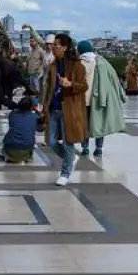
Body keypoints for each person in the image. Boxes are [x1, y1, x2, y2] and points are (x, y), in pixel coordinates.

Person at [42, 34, 88, 187]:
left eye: (56, 45)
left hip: (68, 109)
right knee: (52, 141)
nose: (53, 48)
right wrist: (44, 105)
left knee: (68, 142)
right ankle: (71, 158)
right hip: (54, 107)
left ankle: (65, 173)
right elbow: (48, 87)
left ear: (65, 48)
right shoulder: (53, 65)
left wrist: (70, 84)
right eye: (53, 45)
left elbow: (84, 86)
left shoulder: (77, 66)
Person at [82, 39, 126, 157]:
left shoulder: (79, 63)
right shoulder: (103, 62)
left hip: (83, 99)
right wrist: (122, 95)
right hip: (100, 98)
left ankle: (85, 148)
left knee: (84, 125)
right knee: (99, 124)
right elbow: (114, 79)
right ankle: (99, 148)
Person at [3, 94, 39, 163]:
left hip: (10, 150)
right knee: (30, 137)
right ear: (31, 107)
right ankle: (28, 157)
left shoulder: (12, 114)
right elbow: (40, 129)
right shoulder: (35, 116)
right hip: (26, 150)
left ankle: (9, 156)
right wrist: (37, 111)